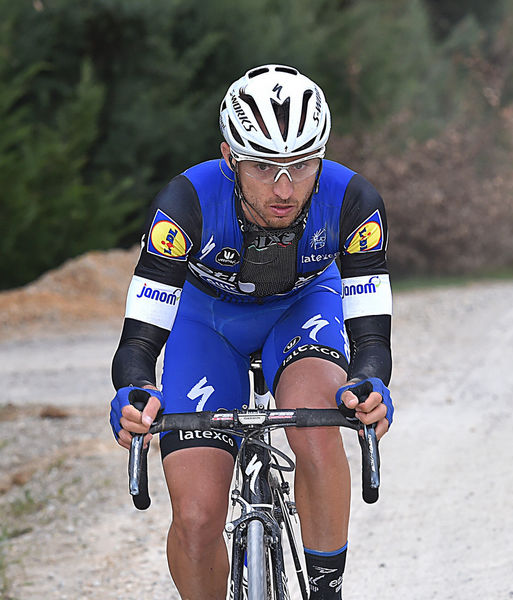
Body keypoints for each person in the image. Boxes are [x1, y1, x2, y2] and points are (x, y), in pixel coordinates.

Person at [108, 64, 394, 600]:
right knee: (195, 520)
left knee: (314, 420)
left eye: (302, 165)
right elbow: (141, 338)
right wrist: (134, 389)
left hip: (303, 309)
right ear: (229, 157)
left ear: (322, 156)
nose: (284, 188)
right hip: (206, 323)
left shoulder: (354, 201)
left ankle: (326, 592)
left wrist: (371, 383)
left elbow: (371, 337)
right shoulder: (186, 203)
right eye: (263, 167)